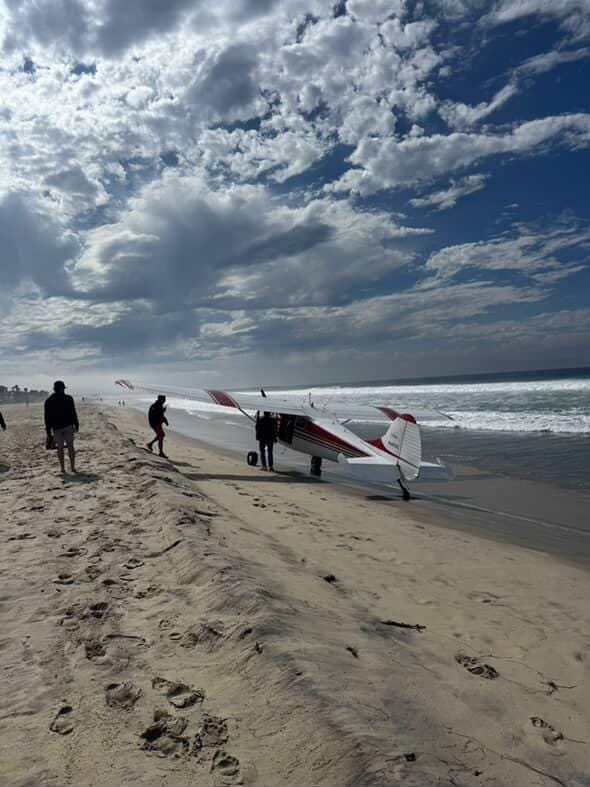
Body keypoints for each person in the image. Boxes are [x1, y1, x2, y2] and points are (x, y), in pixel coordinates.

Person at [44, 381, 79, 474]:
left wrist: (48, 431)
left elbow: (47, 417)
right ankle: (72, 467)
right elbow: (73, 412)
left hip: (56, 428)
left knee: (60, 448)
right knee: (70, 447)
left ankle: (62, 468)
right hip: (68, 426)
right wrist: (76, 424)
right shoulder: (69, 398)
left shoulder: (49, 400)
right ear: (62, 388)